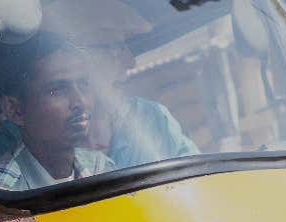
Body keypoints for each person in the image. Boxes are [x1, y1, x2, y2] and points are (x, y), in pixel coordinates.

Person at [42, 0, 199, 168]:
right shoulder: (33, 132)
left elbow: (201, 179)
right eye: (114, 47)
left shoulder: (152, 118)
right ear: (69, 57)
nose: (130, 62)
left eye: (125, 46)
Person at [0, 32, 117, 190]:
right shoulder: (2, 191)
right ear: (15, 111)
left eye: (84, 84)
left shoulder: (100, 167)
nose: (80, 102)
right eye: (57, 90)